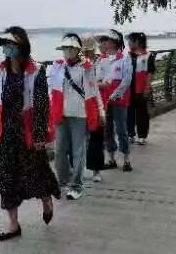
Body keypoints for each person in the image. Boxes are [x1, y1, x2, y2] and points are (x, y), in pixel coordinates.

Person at [0, 27, 59, 241]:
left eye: (11, 44)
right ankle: (13, 224)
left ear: (22, 46)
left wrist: (40, 135)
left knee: (36, 173)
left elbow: (42, 105)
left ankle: (46, 199)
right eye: (5, 45)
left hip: (28, 133)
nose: (7, 48)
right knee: (6, 179)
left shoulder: (36, 71)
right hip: (5, 135)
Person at [47, 33, 104, 200]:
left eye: (71, 48)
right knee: (59, 151)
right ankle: (64, 179)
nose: (67, 52)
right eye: (65, 48)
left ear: (78, 50)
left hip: (80, 114)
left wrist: (101, 110)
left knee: (78, 150)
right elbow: (52, 90)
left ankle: (76, 185)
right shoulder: (57, 66)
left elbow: (94, 90)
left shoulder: (87, 68)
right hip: (61, 114)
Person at [96, 29, 133, 172]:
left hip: (119, 100)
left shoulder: (125, 59)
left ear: (114, 42)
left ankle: (126, 159)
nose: (103, 43)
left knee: (121, 129)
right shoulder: (102, 60)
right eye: (102, 41)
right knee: (107, 130)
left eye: (105, 40)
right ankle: (111, 159)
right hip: (105, 101)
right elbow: (98, 79)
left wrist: (115, 95)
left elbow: (127, 80)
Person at [80, 34, 107, 182]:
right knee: (78, 140)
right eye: (84, 51)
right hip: (79, 107)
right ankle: (77, 169)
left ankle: (96, 170)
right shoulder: (74, 66)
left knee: (96, 138)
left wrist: (101, 111)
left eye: (88, 50)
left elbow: (97, 89)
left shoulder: (99, 63)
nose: (87, 53)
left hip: (94, 105)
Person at [126, 32, 156, 145]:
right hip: (128, 89)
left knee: (142, 113)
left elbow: (150, 73)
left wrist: (147, 87)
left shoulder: (148, 56)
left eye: (130, 41)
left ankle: (142, 135)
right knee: (129, 113)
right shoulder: (128, 55)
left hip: (141, 89)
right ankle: (130, 134)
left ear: (137, 42)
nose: (129, 43)